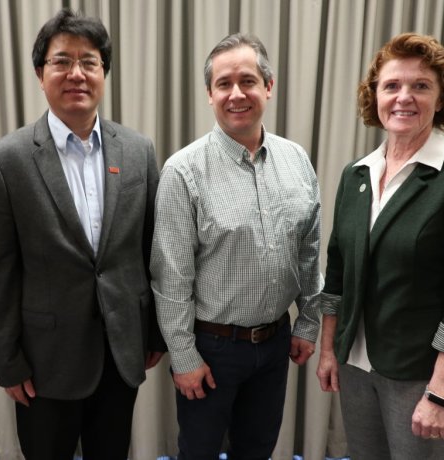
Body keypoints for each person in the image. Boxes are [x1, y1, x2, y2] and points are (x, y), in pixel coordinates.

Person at [0, 8, 165, 459]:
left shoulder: (138, 151)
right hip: (44, 362)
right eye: (62, 61)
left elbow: (152, 250)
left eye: (89, 62)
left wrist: (155, 334)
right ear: (41, 74)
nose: (76, 73)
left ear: (104, 72)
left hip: (121, 350)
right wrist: (7, 361)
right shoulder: (7, 161)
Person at [315, 33, 444, 459]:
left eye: (421, 86)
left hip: (423, 377)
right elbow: (339, 271)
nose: (404, 97)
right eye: (392, 86)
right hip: (357, 366)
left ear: (441, 99)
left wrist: (440, 393)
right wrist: (329, 350)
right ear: (375, 97)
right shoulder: (356, 175)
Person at [150, 33, 322, 459]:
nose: (236, 93)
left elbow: (309, 250)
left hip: (276, 341)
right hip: (211, 349)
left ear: (268, 86)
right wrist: (184, 356)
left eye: (248, 80)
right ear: (209, 94)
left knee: (258, 449)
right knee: (200, 451)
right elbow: (170, 277)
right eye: (223, 83)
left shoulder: (296, 160)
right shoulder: (183, 171)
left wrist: (308, 323)